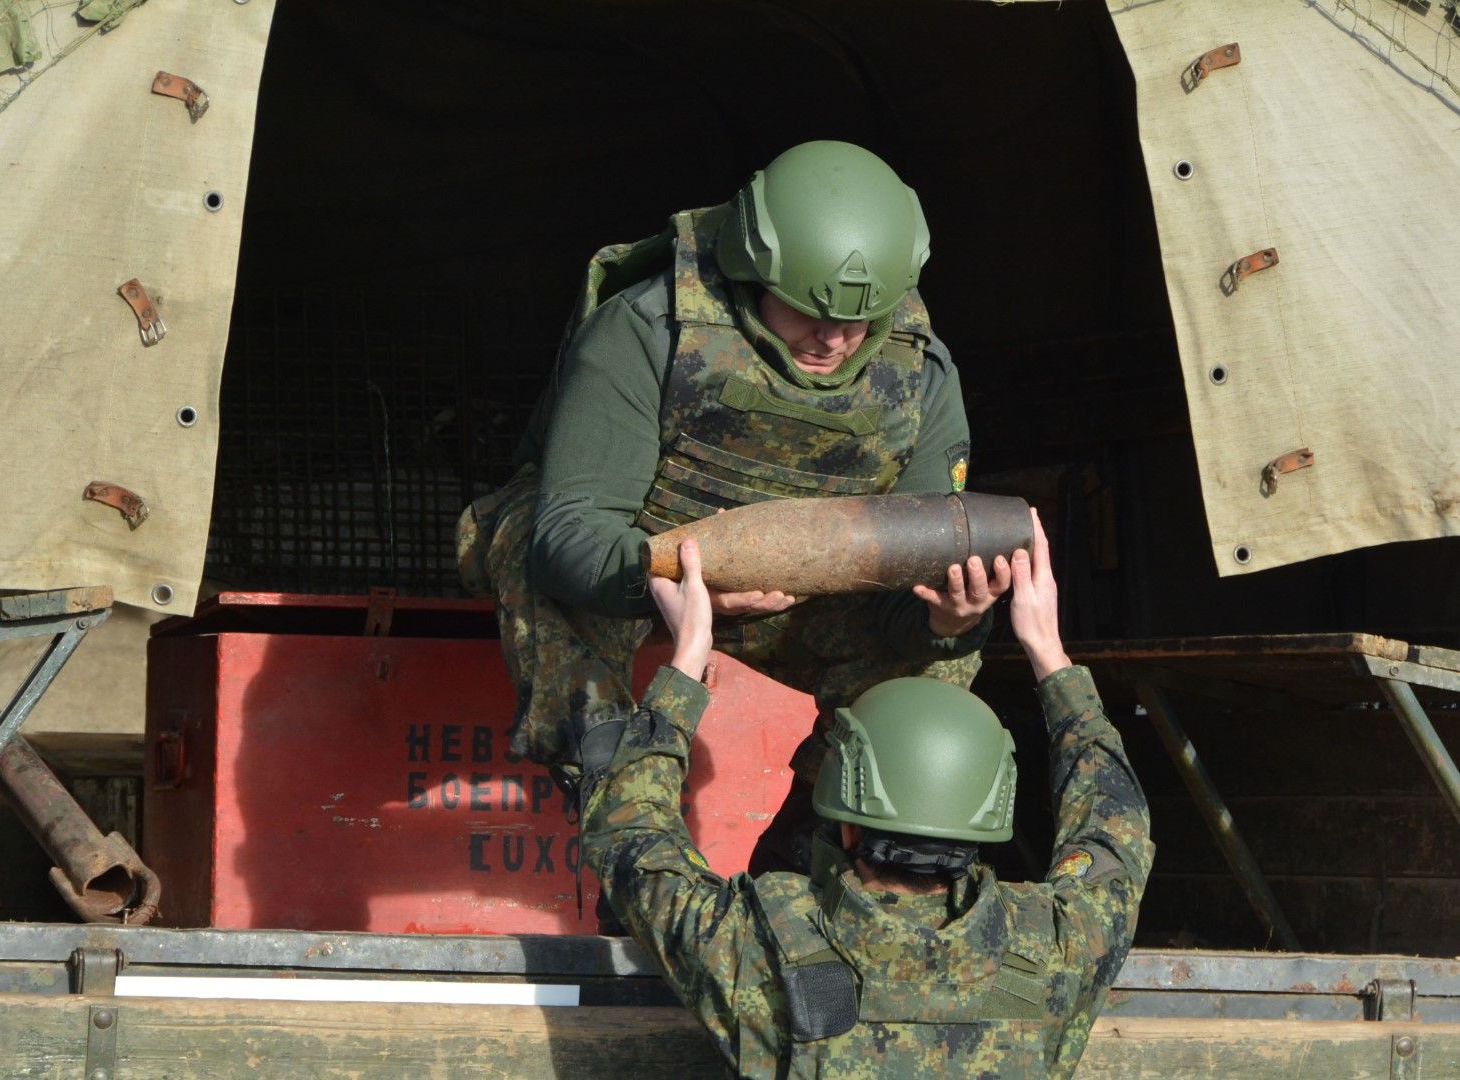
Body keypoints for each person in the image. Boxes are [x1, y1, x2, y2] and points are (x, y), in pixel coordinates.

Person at [456, 141, 1009, 861]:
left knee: (941, 665)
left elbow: (903, 597)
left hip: (801, 605)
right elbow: (569, 534)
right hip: (642, 583)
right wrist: (679, 579)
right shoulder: (648, 331)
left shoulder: (919, 376)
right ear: (752, 273)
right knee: (520, 537)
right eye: (806, 311)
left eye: (860, 321)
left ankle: (816, 864)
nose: (834, 338)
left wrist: (943, 618)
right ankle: (632, 846)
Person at [580, 512, 1154, 1076]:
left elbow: (627, 831)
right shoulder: (1051, 949)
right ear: (989, 809)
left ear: (846, 823)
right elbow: (1114, 827)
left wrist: (690, 651)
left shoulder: (761, 946)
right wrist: (1049, 652)